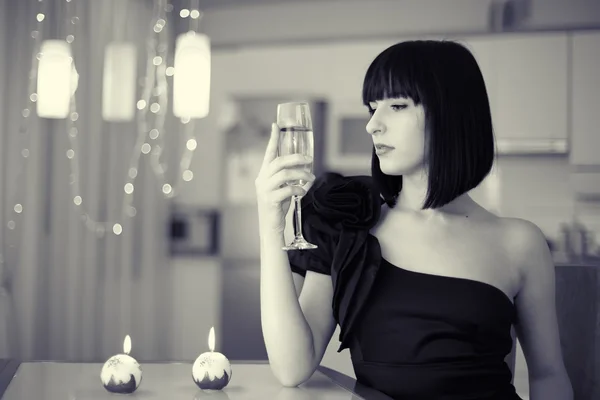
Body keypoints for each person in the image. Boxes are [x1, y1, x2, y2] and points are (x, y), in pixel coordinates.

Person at [255, 40, 573, 400]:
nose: (373, 125)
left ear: (450, 113)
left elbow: (549, 377)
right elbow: (291, 367)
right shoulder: (349, 226)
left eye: (397, 106)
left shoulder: (521, 242)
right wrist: (270, 227)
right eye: (373, 108)